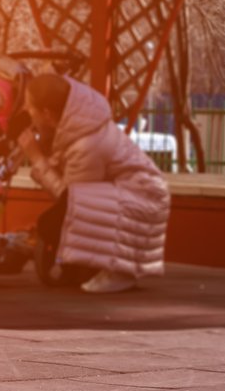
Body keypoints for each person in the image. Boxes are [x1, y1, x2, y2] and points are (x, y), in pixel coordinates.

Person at [18, 73, 170, 293]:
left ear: (47, 114)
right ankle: (86, 266)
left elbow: (71, 199)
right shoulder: (75, 127)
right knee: (54, 220)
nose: (26, 111)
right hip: (130, 192)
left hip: (143, 198)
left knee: (59, 217)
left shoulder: (86, 145)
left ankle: (120, 270)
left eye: (30, 107)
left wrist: (37, 160)